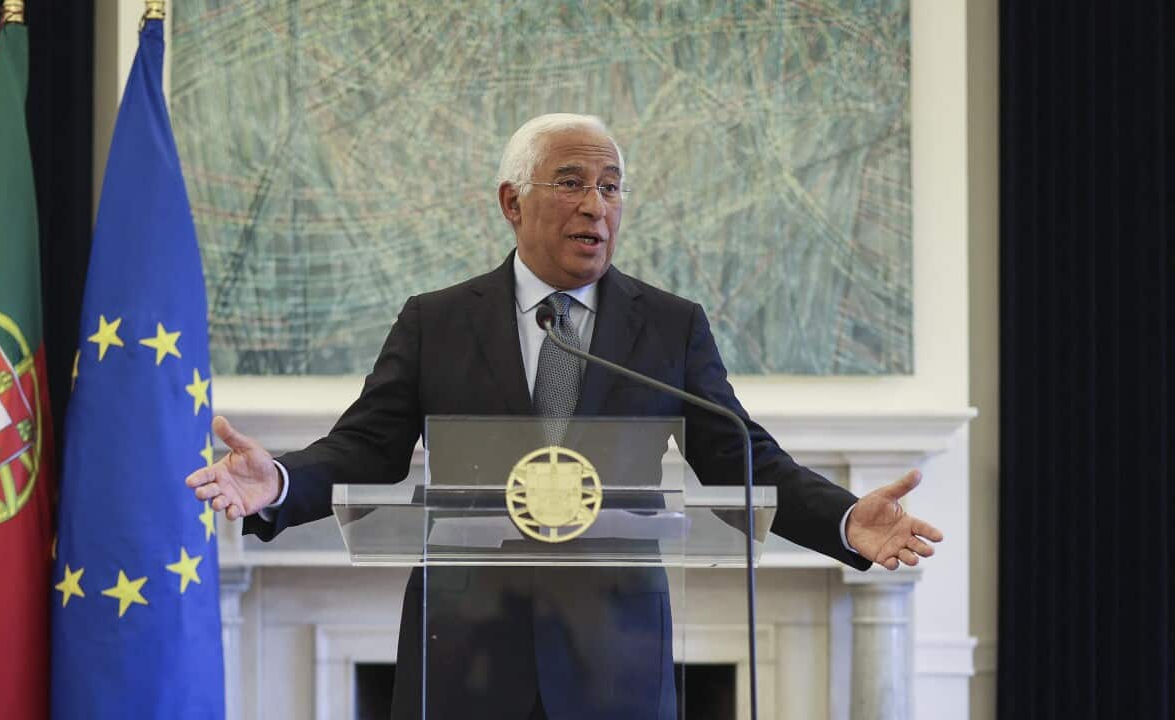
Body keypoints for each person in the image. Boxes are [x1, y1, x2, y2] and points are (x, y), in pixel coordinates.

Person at [186, 113, 943, 720]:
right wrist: (280, 481)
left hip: (614, 657)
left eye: (613, 188)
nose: (597, 206)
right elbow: (367, 448)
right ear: (512, 202)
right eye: (573, 183)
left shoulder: (670, 325)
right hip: (463, 656)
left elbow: (742, 458)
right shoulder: (437, 322)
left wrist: (846, 520)